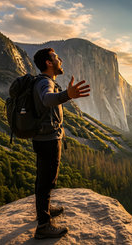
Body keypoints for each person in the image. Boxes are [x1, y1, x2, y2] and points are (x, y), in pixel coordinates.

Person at [32, 48, 90, 239]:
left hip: (45, 138)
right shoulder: (44, 83)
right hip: (48, 140)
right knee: (46, 181)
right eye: (57, 57)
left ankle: (44, 211)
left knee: (44, 178)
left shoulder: (44, 81)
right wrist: (67, 95)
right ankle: (43, 226)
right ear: (49, 63)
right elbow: (48, 99)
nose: (60, 60)